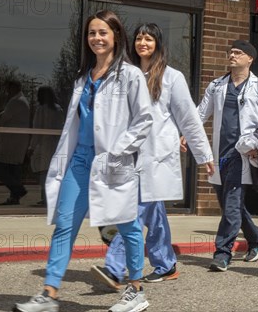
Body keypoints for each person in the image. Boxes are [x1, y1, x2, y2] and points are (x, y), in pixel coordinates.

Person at [13, 10, 153, 312]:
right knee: (64, 224)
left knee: (127, 225)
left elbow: (144, 119)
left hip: (113, 161)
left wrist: (119, 150)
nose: (97, 38)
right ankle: (49, 294)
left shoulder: (130, 75)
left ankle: (136, 290)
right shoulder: (82, 78)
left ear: (116, 36)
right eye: (92, 33)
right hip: (79, 161)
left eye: (103, 32)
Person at [91, 23, 215, 290]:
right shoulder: (125, 74)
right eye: (138, 38)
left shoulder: (172, 77)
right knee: (153, 214)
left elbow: (189, 119)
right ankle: (166, 264)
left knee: (131, 213)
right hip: (127, 155)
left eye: (148, 39)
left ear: (157, 43)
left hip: (155, 157)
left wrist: (204, 154)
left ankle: (115, 268)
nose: (142, 43)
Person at [198, 39, 258, 272]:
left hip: (242, 154)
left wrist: (256, 143)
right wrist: (185, 133)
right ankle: (256, 238)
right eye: (230, 52)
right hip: (219, 155)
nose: (232, 55)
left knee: (232, 205)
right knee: (229, 205)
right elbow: (200, 114)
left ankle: (223, 253)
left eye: (237, 52)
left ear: (250, 58)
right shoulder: (217, 85)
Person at [0, 79, 31, 205]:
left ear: (14, 88)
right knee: (13, 169)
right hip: (16, 142)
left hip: (11, 141)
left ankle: (18, 189)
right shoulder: (21, 101)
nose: (7, 91)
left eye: (8, 88)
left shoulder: (16, 102)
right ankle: (14, 196)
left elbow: (3, 118)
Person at [28, 86, 64, 206]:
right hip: (55, 144)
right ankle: (51, 197)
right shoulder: (58, 109)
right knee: (51, 172)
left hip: (43, 144)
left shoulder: (41, 110)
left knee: (43, 171)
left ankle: (45, 198)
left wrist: (31, 147)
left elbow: (37, 129)